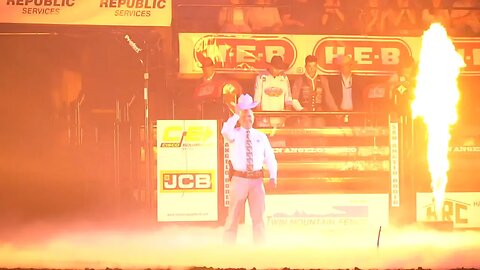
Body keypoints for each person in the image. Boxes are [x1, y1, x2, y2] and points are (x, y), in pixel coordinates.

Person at [222, 93, 278, 244]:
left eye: (250, 116)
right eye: (245, 116)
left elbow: (270, 157)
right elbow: (225, 131)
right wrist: (235, 114)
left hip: (257, 180)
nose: (248, 119)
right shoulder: (234, 134)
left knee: (259, 217)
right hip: (239, 179)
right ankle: (227, 248)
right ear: (240, 118)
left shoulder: (260, 136)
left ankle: (260, 249)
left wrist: (273, 176)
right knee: (233, 216)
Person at [292, 55, 338, 128]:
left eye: (314, 66)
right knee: (306, 128)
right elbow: (294, 99)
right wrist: (301, 109)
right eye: (309, 66)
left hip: (318, 113)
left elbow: (328, 97)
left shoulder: (323, 79)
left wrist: (336, 111)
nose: (312, 69)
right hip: (304, 115)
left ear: (316, 66)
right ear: (305, 66)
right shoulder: (299, 80)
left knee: (320, 128)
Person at [253, 55, 293, 128]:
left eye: (280, 69)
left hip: (279, 117)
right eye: (276, 68)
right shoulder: (261, 77)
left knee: (279, 138)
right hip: (264, 118)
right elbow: (257, 98)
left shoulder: (284, 77)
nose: (278, 71)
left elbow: (288, 96)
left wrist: (288, 109)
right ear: (271, 67)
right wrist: (259, 113)